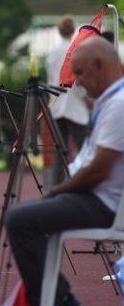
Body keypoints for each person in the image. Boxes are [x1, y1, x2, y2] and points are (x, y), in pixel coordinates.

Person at [5, 38, 124, 306]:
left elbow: (98, 169)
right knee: (28, 215)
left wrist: (59, 190)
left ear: (100, 65)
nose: (78, 83)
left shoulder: (119, 104)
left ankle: (59, 302)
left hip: (104, 203)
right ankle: (56, 298)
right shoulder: (112, 100)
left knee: (18, 218)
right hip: (99, 197)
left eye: (80, 73)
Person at [45, 15, 89, 185]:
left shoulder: (52, 52)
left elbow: (50, 80)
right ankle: (85, 186)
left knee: (60, 152)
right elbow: (78, 80)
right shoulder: (75, 50)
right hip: (75, 106)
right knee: (85, 150)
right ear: (73, 30)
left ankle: (57, 187)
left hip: (56, 106)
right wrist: (86, 97)